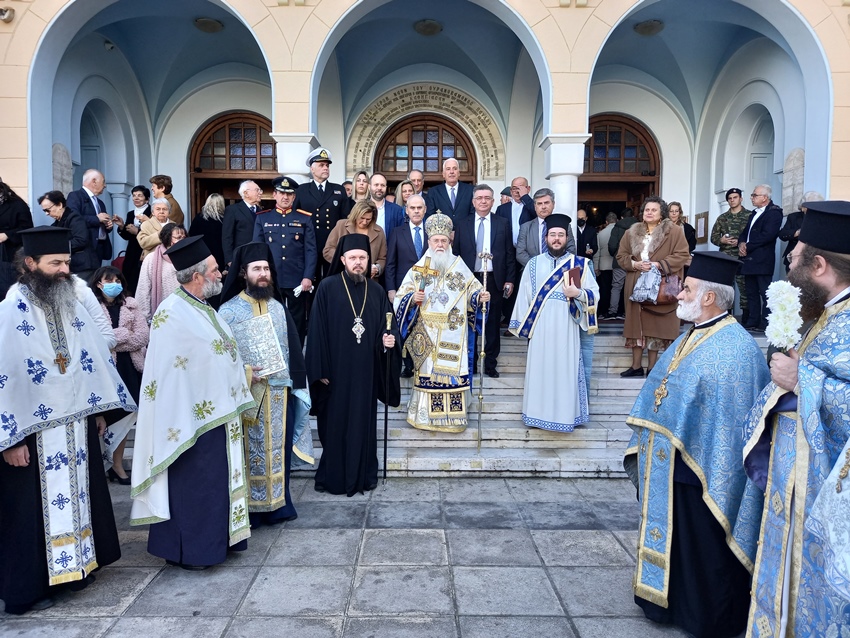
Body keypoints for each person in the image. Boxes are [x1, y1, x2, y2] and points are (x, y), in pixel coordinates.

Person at [624, 251, 770, 638]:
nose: (678, 293)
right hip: (674, 461)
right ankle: (666, 603)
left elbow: (727, 417)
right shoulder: (691, 335)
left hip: (707, 467)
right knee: (680, 538)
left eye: (686, 288)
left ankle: (705, 615)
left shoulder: (735, 347)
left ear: (709, 297)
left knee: (704, 544)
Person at [0, 227, 133, 614]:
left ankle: (72, 570)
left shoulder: (69, 304)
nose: (64, 271)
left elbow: (89, 359)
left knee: (78, 497)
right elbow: (4, 376)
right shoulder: (10, 311)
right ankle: (28, 589)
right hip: (32, 433)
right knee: (29, 512)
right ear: (30, 265)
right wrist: (9, 439)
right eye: (55, 263)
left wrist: (99, 412)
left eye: (68, 263)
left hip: (75, 425)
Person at [738, 201, 850, 637]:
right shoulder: (827, 314)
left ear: (819, 264)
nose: (789, 264)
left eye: (796, 257)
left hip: (825, 495)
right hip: (797, 483)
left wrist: (805, 382)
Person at [130, 236, 255, 569]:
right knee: (196, 487)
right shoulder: (171, 314)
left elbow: (215, 357)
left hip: (214, 414)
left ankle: (215, 544)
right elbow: (176, 371)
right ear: (197, 275)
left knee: (213, 486)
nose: (220, 274)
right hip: (189, 421)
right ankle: (193, 552)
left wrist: (239, 372)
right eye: (214, 270)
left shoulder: (201, 308)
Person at [219, 242, 313, 526]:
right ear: (243, 273)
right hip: (247, 394)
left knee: (278, 451)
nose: (263, 274)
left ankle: (279, 506)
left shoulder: (278, 307)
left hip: (278, 392)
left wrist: (297, 384)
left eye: (266, 269)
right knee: (249, 452)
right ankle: (251, 508)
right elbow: (223, 356)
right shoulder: (228, 311)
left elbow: (293, 348)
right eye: (257, 269)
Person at [307, 233, 401, 495]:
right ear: (343, 260)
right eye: (353, 258)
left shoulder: (378, 291)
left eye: (362, 258)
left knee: (362, 425)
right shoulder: (327, 287)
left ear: (368, 260)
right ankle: (335, 477)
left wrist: (388, 342)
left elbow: (387, 327)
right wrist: (321, 369)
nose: (358, 263)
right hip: (335, 374)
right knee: (335, 426)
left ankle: (363, 477)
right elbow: (316, 331)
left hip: (365, 374)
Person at [394, 213, 486, 432]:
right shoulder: (419, 268)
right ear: (429, 242)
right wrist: (411, 299)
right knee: (428, 374)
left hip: (454, 331)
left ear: (450, 240)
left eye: (444, 240)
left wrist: (479, 298)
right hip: (427, 334)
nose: (440, 244)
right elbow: (400, 299)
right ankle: (424, 417)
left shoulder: (459, 267)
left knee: (452, 374)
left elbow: (473, 293)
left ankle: (454, 419)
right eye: (436, 240)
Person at [510, 214, 599, 431]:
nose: (556, 239)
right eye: (552, 235)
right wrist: (522, 325)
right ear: (546, 237)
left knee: (565, 371)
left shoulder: (581, 264)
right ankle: (537, 415)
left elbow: (594, 294)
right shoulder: (533, 263)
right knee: (541, 371)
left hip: (567, 328)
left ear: (566, 237)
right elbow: (524, 296)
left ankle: (566, 416)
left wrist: (578, 292)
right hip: (540, 329)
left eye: (560, 235)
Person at [616, 197, 690, 377]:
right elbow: (621, 256)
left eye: (653, 210)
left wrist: (659, 264)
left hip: (661, 286)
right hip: (636, 284)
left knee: (655, 327)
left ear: (661, 213)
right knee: (636, 326)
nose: (649, 212)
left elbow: (682, 255)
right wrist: (635, 264)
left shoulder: (674, 232)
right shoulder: (631, 232)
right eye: (646, 209)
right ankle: (635, 367)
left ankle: (652, 368)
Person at [89, 265, 148, 485]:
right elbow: (93, 340)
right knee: (107, 417)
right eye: (109, 280)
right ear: (98, 283)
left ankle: (117, 464)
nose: (115, 284)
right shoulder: (90, 308)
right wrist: (123, 335)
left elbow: (142, 337)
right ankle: (103, 465)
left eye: (118, 280)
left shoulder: (131, 306)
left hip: (129, 367)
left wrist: (113, 341)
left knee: (125, 417)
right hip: (105, 369)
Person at [453, 184, 515, 378]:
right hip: (470, 281)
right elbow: (456, 254)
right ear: (473, 201)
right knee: (471, 322)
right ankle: (471, 362)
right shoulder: (463, 223)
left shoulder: (502, 223)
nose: (483, 201)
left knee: (493, 324)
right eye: (479, 198)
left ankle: (490, 364)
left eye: (487, 198)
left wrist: (509, 280)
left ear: (493, 201)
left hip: (494, 280)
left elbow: (509, 254)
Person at [252, 176, 316, 342]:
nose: (285, 197)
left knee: (298, 320)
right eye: (281, 193)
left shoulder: (304, 218)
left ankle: (297, 357)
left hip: (297, 278)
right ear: (274, 195)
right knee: (270, 317)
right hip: (271, 279)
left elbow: (310, 250)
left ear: (294, 197)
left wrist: (308, 276)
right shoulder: (263, 218)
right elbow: (257, 251)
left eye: (289, 194)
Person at [293, 147, 352, 283]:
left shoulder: (338, 190)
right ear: (312, 169)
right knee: (310, 281)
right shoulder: (302, 190)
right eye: (321, 165)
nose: (325, 168)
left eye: (327, 165)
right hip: (309, 243)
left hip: (332, 244)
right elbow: (295, 218)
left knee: (331, 280)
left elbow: (345, 220)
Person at [386, 194, 427, 378]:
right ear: (407, 210)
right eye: (413, 208)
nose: (416, 211)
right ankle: (408, 364)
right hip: (405, 290)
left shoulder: (433, 232)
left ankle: (424, 362)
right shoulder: (397, 232)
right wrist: (391, 289)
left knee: (425, 326)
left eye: (419, 208)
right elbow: (391, 264)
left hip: (429, 290)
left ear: (425, 210)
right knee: (407, 327)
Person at [738, 184, 782, 332]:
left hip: (762, 258)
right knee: (751, 292)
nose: (752, 197)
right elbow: (745, 232)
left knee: (765, 292)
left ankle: (766, 323)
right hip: (749, 258)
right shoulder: (753, 213)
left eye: (754, 195)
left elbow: (768, 235)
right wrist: (741, 243)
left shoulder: (774, 213)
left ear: (765, 197)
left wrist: (748, 246)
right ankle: (752, 321)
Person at [710, 187, 750, 322]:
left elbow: (754, 235)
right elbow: (713, 237)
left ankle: (746, 318)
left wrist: (741, 242)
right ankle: (725, 316)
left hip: (743, 257)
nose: (732, 200)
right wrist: (722, 240)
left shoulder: (749, 215)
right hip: (726, 257)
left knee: (744, 287)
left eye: (735, 197)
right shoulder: (722, 218)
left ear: (741, 198)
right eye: (730, 198)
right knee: (726, 287)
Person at [323, 199, 388, 283]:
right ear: (355, 215)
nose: (364, 222)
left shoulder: (379, 231)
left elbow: (382, 258)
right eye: (362, 218)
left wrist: (377, 268)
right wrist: (347, 263)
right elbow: (327, 250)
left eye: (368, 219)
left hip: (368, 281)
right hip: (342, 279)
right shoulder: (341, 225)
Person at [39, 190, 99, 279]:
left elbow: (81, 240)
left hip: (83, 267)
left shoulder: (75, 218)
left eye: (48, 210)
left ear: (59, 205)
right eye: (44, 211)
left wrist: (57, 246)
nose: (47, 213)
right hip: (71, 266)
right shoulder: (56, 224)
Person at [65, 169, 113, 279]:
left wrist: (107, 226)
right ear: (94, 181)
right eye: (103, 181)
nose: (105, 185)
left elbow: (100, 223)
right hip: (85, 249)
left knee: (96, 279)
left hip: (99, 248)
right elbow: (73, 219)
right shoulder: (75, 196)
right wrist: (96, 219)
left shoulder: (100, 202)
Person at [136, 222, 186, 321]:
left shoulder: (190, 257)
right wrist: (145, 318)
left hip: (185, 312)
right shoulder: (151, 258)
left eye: (183, 237)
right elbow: (143, 289)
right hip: (162, 313)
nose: (182, 241)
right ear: (167, 238)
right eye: (178, 237)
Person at [516, 188, 575, 267]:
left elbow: (571, 250)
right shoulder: (525, 227)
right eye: (539, 204)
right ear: (535, 206)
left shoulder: (564, 226)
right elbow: (520, 253)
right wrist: (538, 267)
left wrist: (556, 267)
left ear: (553, 204)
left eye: (546, 203)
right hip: (533, 272)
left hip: (559, 273)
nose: (543, 207)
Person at [0, 179, 33, 298]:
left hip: (9, 258)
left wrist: (7, 235)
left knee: (7, 292)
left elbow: (27, 229)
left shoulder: (17, 204)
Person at [114, 185, 150, 294]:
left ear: (147, 199)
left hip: (144, 251)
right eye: (134, 196)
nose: (136, 198)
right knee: (129, 282)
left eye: (140, 195)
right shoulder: (130, 213)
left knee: (142, 282)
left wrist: (137, 232)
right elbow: (127, 236)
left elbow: (154, 233)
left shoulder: (152, 212)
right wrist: (121, 226)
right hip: (131, 252)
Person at [606, 207, 639, 320]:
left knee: (616, 287)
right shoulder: (640, 226)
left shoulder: (617, 227)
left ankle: (613, 312)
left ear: (621, 217)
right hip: (636, 262)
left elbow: (612, 245)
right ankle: (630, 312)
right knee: (634, 287)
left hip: (620, 261)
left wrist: (615, 254)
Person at [222, 180, 264, 269]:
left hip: (259, 257)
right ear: (246, 193)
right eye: (257, 190)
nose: (260, 193)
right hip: (240, 257)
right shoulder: (233, 210)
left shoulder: (262, 212)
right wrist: (229, 259)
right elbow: (227, 236)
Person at [779, 190, 823, 273]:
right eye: (809, 205)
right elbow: (782, 234)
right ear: (803, 206)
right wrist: (797, 232)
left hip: (814, 258)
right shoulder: (794, 217)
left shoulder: (823, 219)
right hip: (793, 258)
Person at [188, 193, 226, 273]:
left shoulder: (199, 218)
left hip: (202, 254)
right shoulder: (225, 219)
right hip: (220, 254)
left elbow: (191, 236)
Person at [369, 172, 405, 242]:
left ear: (386, 187)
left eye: (382, 185)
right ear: (369, 186)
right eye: (376, 185)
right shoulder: (361, 208)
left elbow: (401, 236)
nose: (379, 188)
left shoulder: (396, 210)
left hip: (388, 251)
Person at [596, 212, 618, 317]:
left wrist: (596, 266)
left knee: (604, 289)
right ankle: (615, 310)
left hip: (604, 265)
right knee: (617, 288)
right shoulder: (621, 232)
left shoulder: (600, 234)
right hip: (617, 265)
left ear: (606, 222)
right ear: (616, 220)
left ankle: (604, 310)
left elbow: (597, 252)